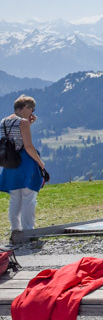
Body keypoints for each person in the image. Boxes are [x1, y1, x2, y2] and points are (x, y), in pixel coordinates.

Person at [0, 95, 46, 241]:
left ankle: (15, 229)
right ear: (26, 107)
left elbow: (13, 140)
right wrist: (40, 162)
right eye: (32, 108)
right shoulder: (23, 122)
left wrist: (28, 125)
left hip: (9, 163)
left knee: (15, 197)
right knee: (28, 197)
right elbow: (27, 146)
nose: (32, 111)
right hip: (25, 162)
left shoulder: (4, 122)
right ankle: (28, 230)